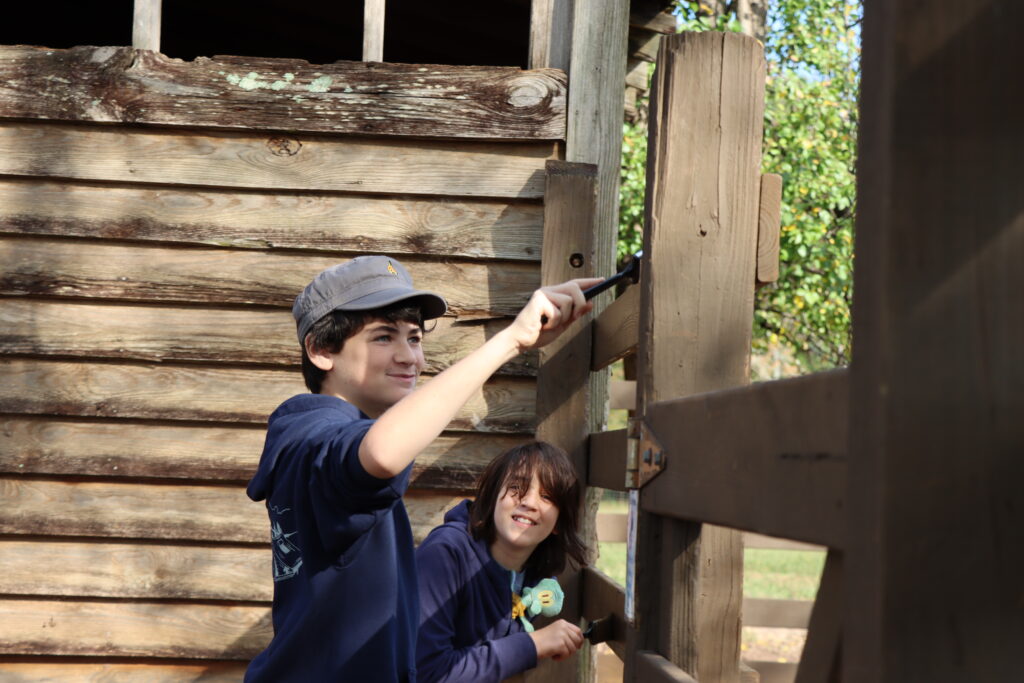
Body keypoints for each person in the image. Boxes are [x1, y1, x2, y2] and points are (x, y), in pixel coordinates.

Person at [244, 255, 599, 682]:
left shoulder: (309, 437)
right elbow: (382, 454)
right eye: (382, 337)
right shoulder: (318, 438)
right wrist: (511, 342)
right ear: (321, 350)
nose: (409, 357)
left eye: (414, 338)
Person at [415, 441, 589, 683]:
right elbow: (428, 673)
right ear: (493, 495)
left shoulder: (535, 577)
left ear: (559, 522)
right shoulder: (445, 554)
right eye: (517, 487)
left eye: (547, 496)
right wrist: (531, 645)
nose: (528, 502)